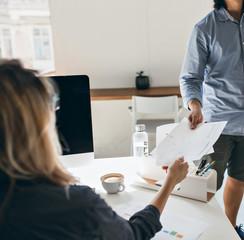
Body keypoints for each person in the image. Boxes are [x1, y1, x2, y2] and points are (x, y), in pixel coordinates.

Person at [0, 59, 189, 240]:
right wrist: (170, 182)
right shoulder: (75, 206)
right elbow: (134, 234)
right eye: (52, 105)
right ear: (39, 126)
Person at [179, 0, 244, 239]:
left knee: (238, 180)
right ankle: (203, 234)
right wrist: (194, 105)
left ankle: (229, 232)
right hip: (216, 129)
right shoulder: (204, 29)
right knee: (205, 188)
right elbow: (190, 78)